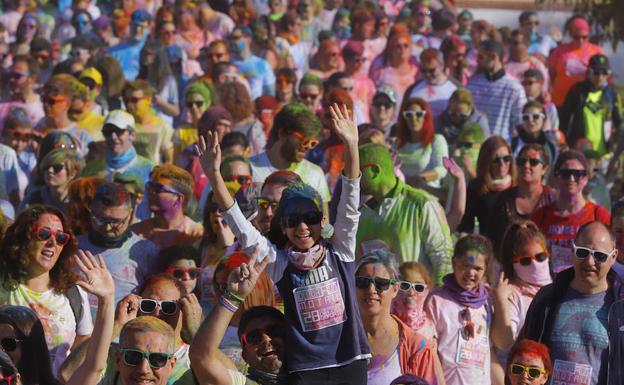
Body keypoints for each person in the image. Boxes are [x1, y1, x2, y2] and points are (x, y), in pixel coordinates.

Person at [198, 103, 371, 384]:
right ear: (283, 226)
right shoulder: (279, 263)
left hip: (350, 361)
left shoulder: (340, 250)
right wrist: (215, 177)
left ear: (320, 218)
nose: (303, 227)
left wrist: (351, 144)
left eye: (311, 217)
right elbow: (242, 229)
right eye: (292, 221)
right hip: (305, 370)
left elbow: (350, 199)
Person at [522, 221, 623, 385]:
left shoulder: (620, 306)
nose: (590, 262)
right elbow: (524, 356)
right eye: (583, 252)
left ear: (613, 257)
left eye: (599, 255)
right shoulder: (547, 298)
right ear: (572, 250)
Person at [0, 206, 92, 374]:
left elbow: (84, 339)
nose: (52, 242)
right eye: (43, 234)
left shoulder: (74, 292)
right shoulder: (2, 285)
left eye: (61, 238)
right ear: (23, 238)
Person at [357, 143, 453, 284]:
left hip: (416, 302)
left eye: (356, 171)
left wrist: (436, 301)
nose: (351, 177)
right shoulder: (361, 215)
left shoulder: (422, 204)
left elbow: (443, 257)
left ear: (374, 171)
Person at [190, 250, 286, 385]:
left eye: (274, 331)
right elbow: (202, 356)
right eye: (253, 337)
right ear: (244, 355)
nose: (265, 339)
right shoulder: (242, 383)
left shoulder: (315, 373)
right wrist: (232, 296)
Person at [355, 250, 437, 384]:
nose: (371, 289)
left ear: (395, 289)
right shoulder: (339, 339)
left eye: (381, 283)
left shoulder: (416, 348)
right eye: (363, 282)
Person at [77, 182, 158, 315]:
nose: (108, 228)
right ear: (91, 210)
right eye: (101, 219)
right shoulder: (73, 247)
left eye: (116, 222)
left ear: (130, 215)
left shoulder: (145, 251)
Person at [426, 234, 495, 385]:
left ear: (485, 269)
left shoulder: (488, 302)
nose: (470, 273)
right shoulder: (436, 300)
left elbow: (492, 352)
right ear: (454, 263)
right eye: (465, 265)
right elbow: (430, 350)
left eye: (477, 268)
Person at [531, 150, 610, 273]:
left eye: (578, 174)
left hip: (586, 285)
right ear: (555, 177)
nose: (571, 179)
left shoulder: (599, 215)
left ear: (586, 179)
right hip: (550, 286)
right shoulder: (539, 216)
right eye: (565, 174)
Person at [491, 221, 552, 377]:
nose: (535, 264)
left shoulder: (558, 290)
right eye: (525, 260)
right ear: (513, 264)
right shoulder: (512, 295)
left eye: (540, 256)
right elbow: (504, 343)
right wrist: (501, 303)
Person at [246, 103, 330, 207]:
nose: (307, 147)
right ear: (282, 133)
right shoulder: (249, 169)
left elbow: (324, 220)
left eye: (312, 143)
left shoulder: (315, 174)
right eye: (304, 141)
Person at [490, 144, 555, 250]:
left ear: (544, 168)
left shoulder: (553, 199)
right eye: (522, 161)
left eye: (533, 162)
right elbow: (492, 237)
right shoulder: (504, 199)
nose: (526, 165)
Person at [560, 54, 623, 156]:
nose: (600, 77)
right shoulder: (577, 90)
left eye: (604, 73)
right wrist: (564, 143)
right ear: (589, 72)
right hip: (580, 151)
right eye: (596, 72)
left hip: (605, 153)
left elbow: (619, 122)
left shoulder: (612, 93)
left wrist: (616, 144)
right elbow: (564, 118)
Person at [131, 164, 203, 250]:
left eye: (158, 188)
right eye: (149, 186)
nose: (151, 192)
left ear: (179, 198)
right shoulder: (136, 231)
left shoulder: (195, 235)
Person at [467, 40, 526, 142]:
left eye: (480, 57)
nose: (477, 60)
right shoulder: (472, 83)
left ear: (493, 57)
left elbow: (520, 122)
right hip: (474, 146)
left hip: (500, 147)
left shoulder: (514, 88)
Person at [458, 136, 516, 237]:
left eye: (506, 159)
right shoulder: (477, 188)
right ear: (486, 161)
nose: (502, 164)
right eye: (496, 160)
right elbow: (466, 227)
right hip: (489, 248)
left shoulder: (518, 184)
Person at [548, 16, 605, 107]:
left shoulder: (596, 51)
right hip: (561, 100)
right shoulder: (559, 51)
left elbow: (605, 77)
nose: (581, 40)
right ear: (571, 34)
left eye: (584, 37)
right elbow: (551, 74)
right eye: (577, 37)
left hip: (587, 101)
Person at [396, 97, 448, 189]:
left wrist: (418, 179)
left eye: (419, 114)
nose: (414, 118)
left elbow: (442, 169)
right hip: (401, 195)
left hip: (427, 196)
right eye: (409, 115)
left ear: (426, 117)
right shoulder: (396, 143)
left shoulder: (436, 140)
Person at [122, 80, 174, 164]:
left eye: (134, 100)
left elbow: (169, 161)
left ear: (149, 100)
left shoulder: (163, 127)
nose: (129, 104)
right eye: (127, 100)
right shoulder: (122, 125)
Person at [369, 28, 418, 108]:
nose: (402, 49)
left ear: (410, 49)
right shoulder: (380, 72)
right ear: (391, 50)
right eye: (398, 46)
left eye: (406, 46)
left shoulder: (416, 71)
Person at [217, 82, 266, 156]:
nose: (218, 104)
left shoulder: (254, 127)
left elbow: (261, 154)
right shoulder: (223, 124)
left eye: (220, 100)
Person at [407, 48, 458, 119]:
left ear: (442, 66)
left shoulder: (455, 88)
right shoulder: (413, 89)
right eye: (423, 70)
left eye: (431, 70)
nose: (427, 74)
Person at [137, 42, 180, 125]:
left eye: (149, 54)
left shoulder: (169, 81)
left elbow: (176, 111)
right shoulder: (140, 79)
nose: (145, 56)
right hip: (145, 126)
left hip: (163, 128)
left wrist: (159, 101)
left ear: (158, 55)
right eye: (143, 53)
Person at [391, 262, 436, 342]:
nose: (411, 293)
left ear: (427, 290)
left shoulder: (428, 331)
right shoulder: (385, 324)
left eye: (419, 287)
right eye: (405, 285)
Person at [228, 26, 275, 100]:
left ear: (248, 39)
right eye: (230, 38)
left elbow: (270, 92)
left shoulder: (262, 64)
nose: (232, 41)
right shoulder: (227, 63)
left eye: (236, 38)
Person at [0, 55, 44, 129]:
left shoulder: (43, 108)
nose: (11, 79)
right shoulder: (2, 106)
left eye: (17, 76)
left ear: (33, 78)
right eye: (10, 75)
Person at [107, 9, 151, 81]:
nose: (138, 29)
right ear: (130, 25)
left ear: (148, 29)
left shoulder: (152, 51)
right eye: (135, 25)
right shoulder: (114, 51)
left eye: (142, 26)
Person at [173, 82, 212, 161]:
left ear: (207, 103)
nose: (194, 107)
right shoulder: (180, 132)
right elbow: (175, 160)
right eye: (189, 104)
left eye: (199, 103)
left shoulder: (214, 129)